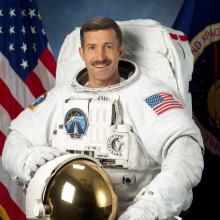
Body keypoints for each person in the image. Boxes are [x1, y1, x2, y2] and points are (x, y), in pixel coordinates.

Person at [2, 16, 204, 220]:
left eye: (108, 47)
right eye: (91, 47)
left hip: (132, 212)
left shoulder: (149, 97)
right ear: (81, 53)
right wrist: (25, 159)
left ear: (120, 51)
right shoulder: (58, 98)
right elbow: (14, 141)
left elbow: (186, 155)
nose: (100, 56)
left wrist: (149, 208)